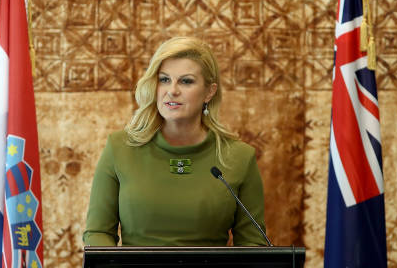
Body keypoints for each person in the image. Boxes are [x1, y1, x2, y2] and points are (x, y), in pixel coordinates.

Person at [82, 36, 268, 246]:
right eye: (164, 79)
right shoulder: (119, 148)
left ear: (209, 92)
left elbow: (254, 245)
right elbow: (98, 233)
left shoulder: (239, 157)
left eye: (186, 81)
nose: (172, 90)